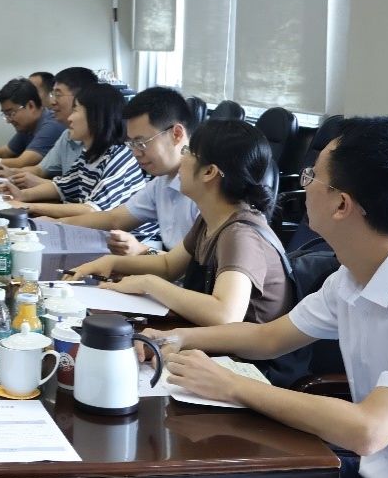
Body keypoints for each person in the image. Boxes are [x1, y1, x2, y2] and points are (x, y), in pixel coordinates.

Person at [150, 117, 388, 478]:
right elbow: (269, 337)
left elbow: (369, 429)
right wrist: (171, 340)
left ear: (342, 204)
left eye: (312, 177)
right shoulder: (352, 274)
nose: (302, 186)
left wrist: (234, 386)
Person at [67, 120, 301, 378]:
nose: (182, 157)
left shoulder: (239, 234)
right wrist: (111, 262)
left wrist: (148, 283)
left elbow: (225, 313)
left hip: (252, 368)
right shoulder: (211, 218)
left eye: (189, 152)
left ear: (209, 172)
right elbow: (169, 265)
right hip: (218, 349)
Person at [58, 87, 199, 255]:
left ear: (176, 134)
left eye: (141, 143)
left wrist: (143, 251)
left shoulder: (206, 187)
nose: (135, 153)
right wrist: (56, 224)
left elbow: (203, 263)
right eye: (131, 144)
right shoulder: (161, 182)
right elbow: (115, 219)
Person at [1, 83, 152, 235]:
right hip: (102, 234)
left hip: (136, 240)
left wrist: (29, 206)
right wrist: (22, 195)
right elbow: (61, 187)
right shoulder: (91, 154)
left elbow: (91, 210)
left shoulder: (119, 156)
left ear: (95, 116)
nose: (70, 118)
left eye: (75, 110)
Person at [0, 66, 99, 184]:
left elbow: (80, 190)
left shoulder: (105, 141)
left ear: (82, 97)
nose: (52, 102)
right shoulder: (66, 135)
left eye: (58, 95)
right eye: (52, 94)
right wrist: (12, 172)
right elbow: (40, 169)